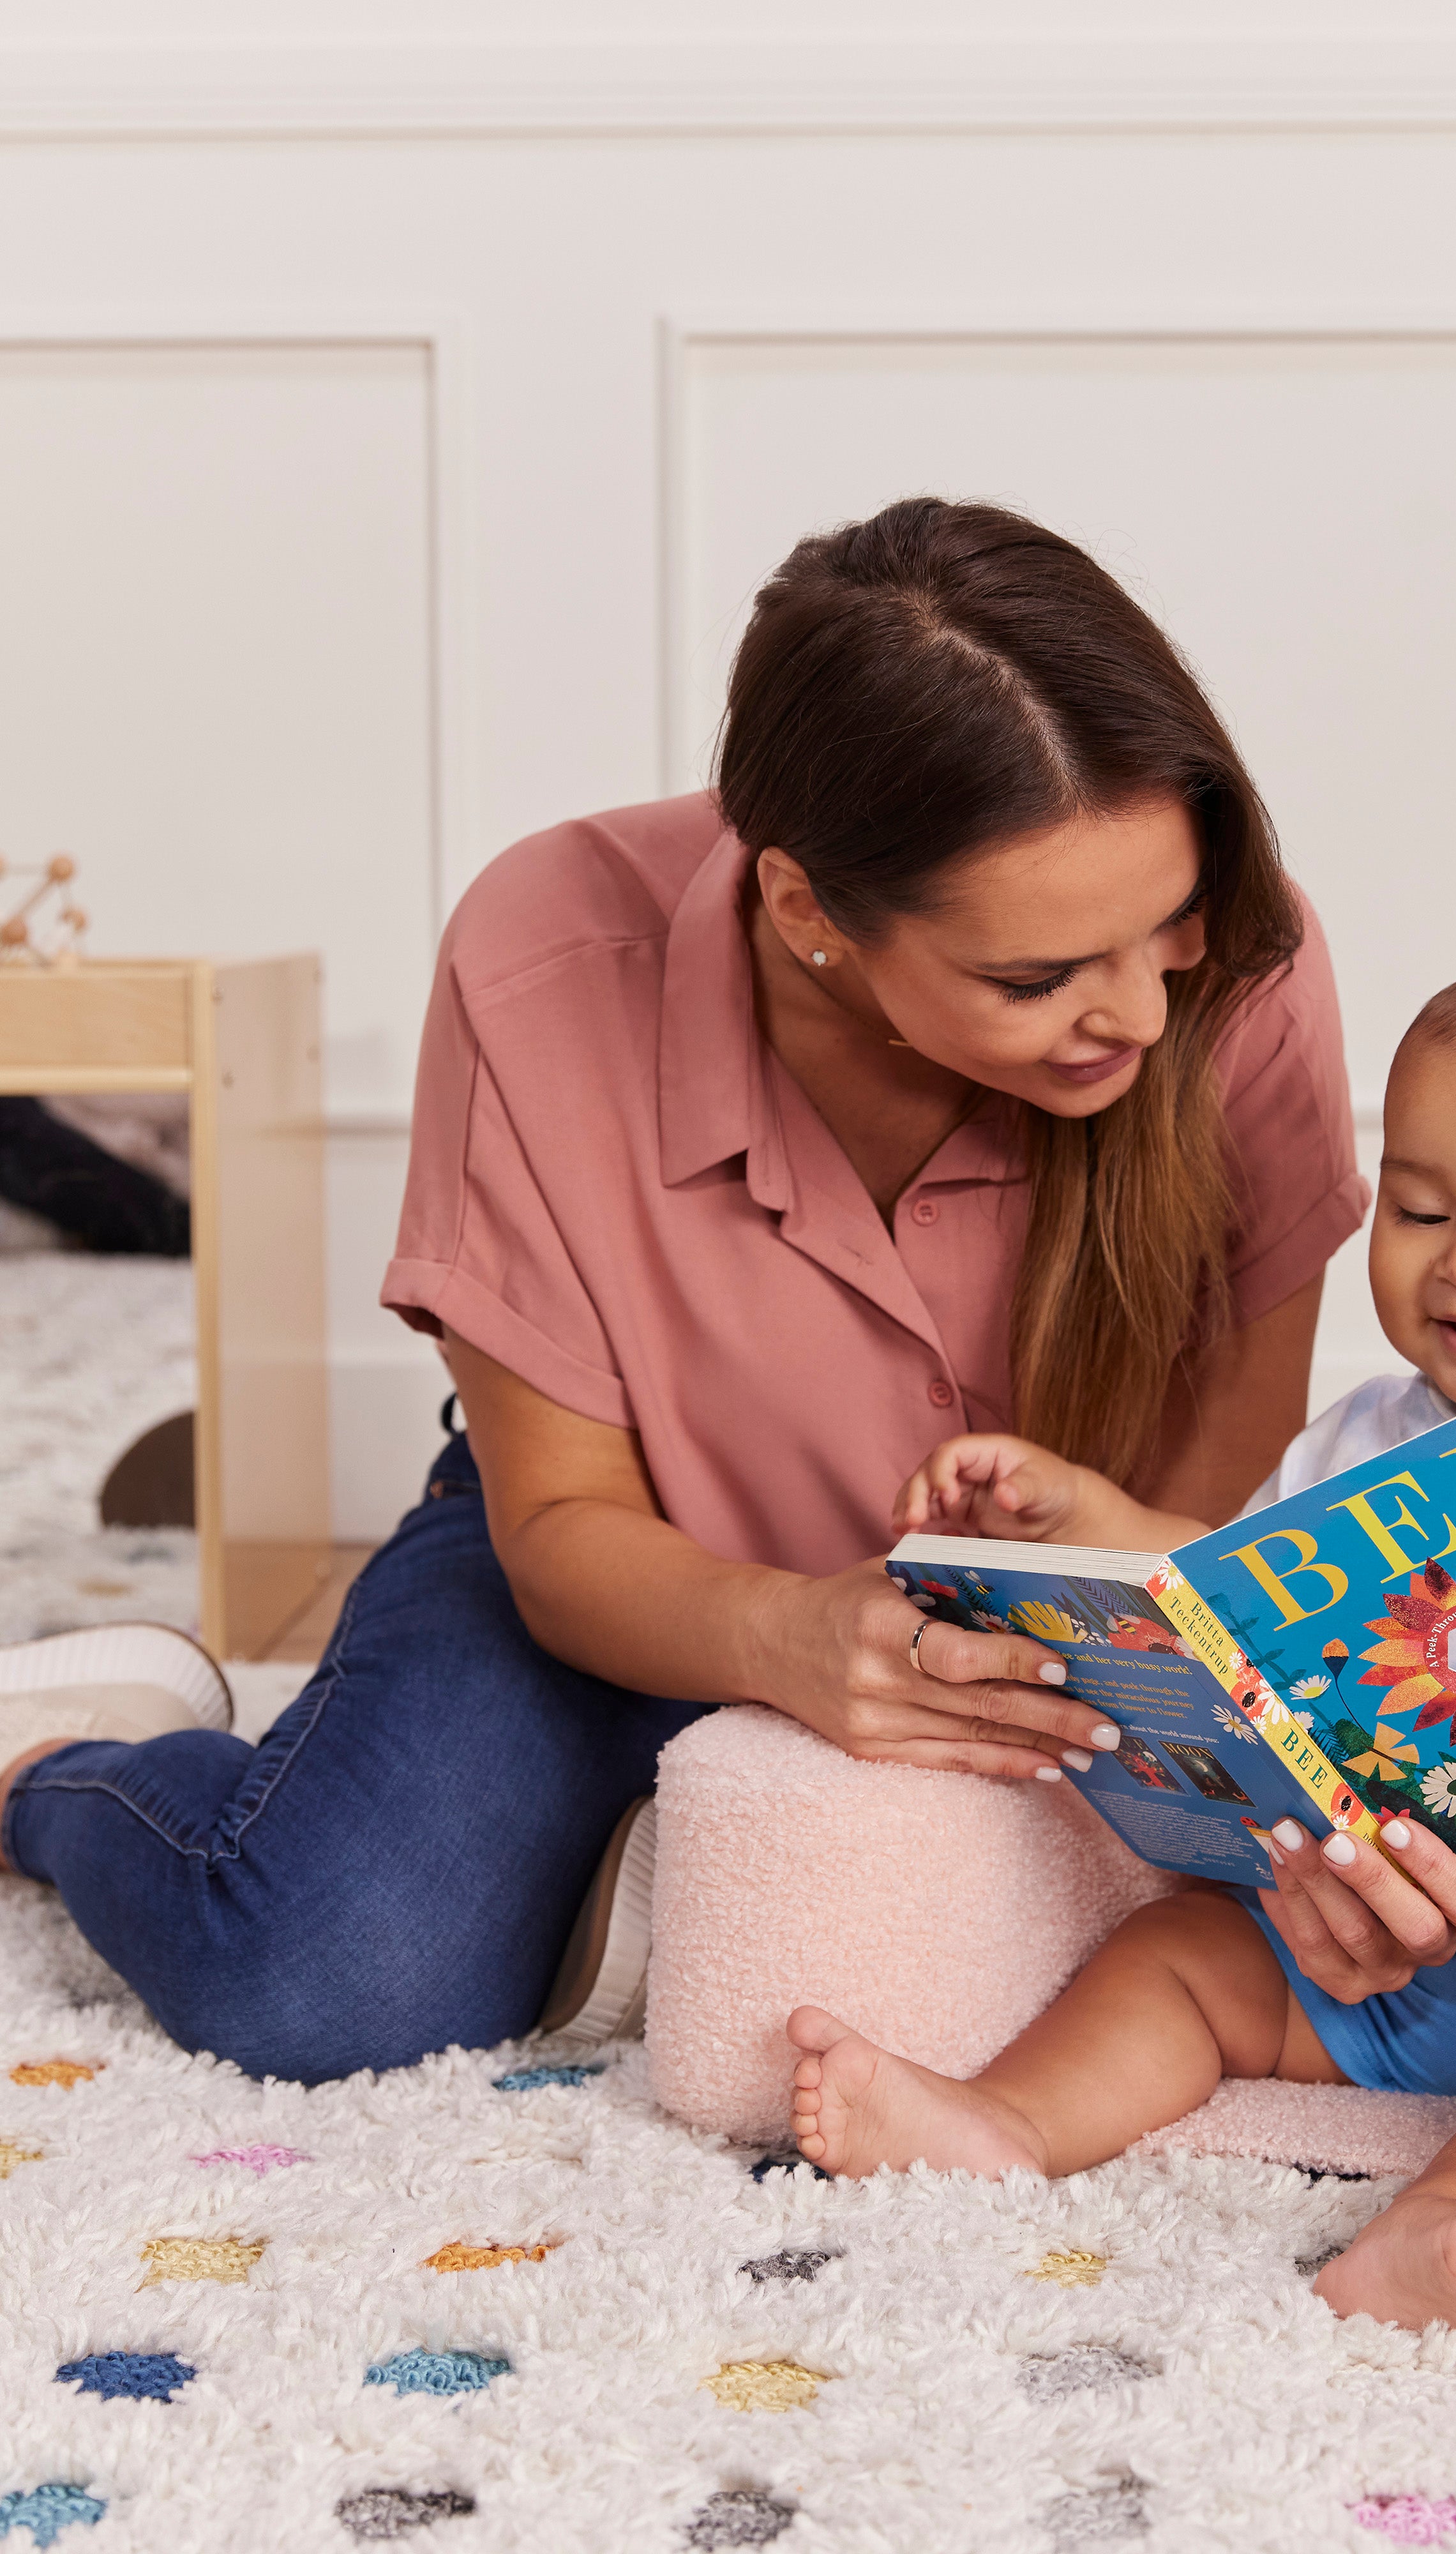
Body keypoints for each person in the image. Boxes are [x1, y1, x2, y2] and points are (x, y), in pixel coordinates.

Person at [0, 498, 1365, 2084]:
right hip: (630, 1552)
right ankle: (68, 1758)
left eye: (1164, 930)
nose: (1134, 1007)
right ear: (807, 914)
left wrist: (1079, 1643)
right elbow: (565, 1527)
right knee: (319, 1982)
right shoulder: (543, 957)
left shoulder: (1238, 968)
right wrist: (787, 1640)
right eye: (1033, 977)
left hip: (1082, 1602)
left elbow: (1231, 1442)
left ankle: (670, 1837)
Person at [784, 886, 1456, 2343]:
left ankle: (1440, 2229)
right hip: (1345, 1934)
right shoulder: (1367, 1432)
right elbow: (1225, 1584)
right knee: (1171, 1962)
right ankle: (1003, 2121)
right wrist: (1082, 1517)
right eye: (1421, 1207)